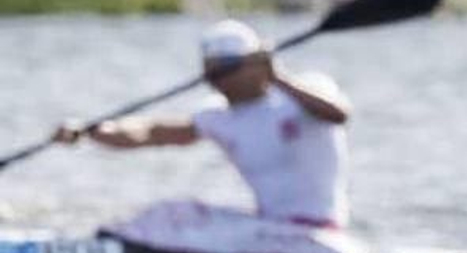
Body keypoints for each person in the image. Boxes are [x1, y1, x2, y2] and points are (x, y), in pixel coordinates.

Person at [53, 19, 353, 240]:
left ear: (256, 65)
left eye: (223, 70)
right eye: (209, 71)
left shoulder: (304, 94)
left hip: (318, 232)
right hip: (271, 227)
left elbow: (338, 114)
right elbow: (151, 132)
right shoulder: (218, 116)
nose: (215, 81)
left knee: (176, 217)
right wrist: (89, 131)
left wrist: (278, 77)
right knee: (175, 212)